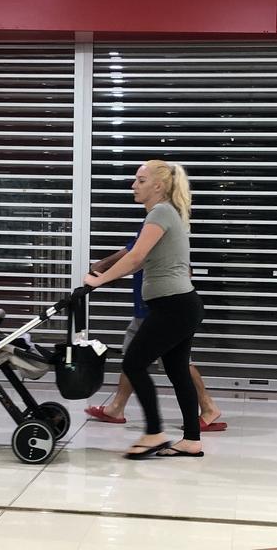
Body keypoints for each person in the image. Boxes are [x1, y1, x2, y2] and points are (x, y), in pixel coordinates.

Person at [83, 159, 205, 459]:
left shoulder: (161, 212)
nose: (133, 185)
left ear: (158, 186)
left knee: (134, 363)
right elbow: (136, 256)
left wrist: (97, 281)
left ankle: (154, 433)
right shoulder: (162, 213)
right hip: (180, 305)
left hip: (174, 307)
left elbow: (136, 257)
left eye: (140, 180)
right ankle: (191, 439)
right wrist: (104, 273)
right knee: (177, 372)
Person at [84, 232, 226, 432]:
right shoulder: (153, 219)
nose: (135, 198)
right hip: (147, 303)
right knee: (132, 356)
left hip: (159, 306)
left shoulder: (159, 218)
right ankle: (117, 407)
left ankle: (203, 409)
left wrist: (102, 268)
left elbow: (134, 255)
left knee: (176, 363)